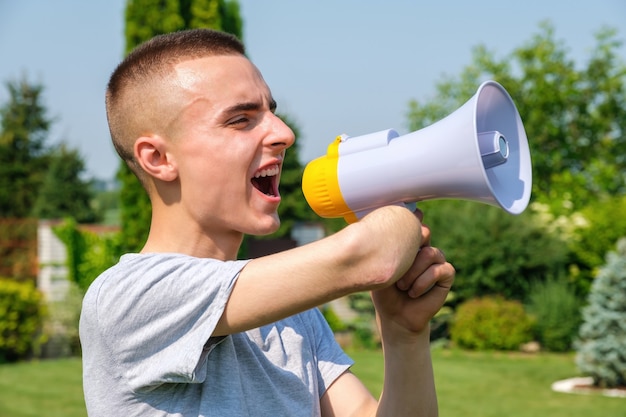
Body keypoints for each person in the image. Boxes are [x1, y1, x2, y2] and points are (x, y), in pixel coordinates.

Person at [79, 28, 455, 417]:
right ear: (158, 158)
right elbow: (370, 256)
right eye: (241, 119)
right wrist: (397, 210)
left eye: (271, 112)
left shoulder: (294, 316)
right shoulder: (127, 298)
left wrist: (403, 336)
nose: (284, 134)